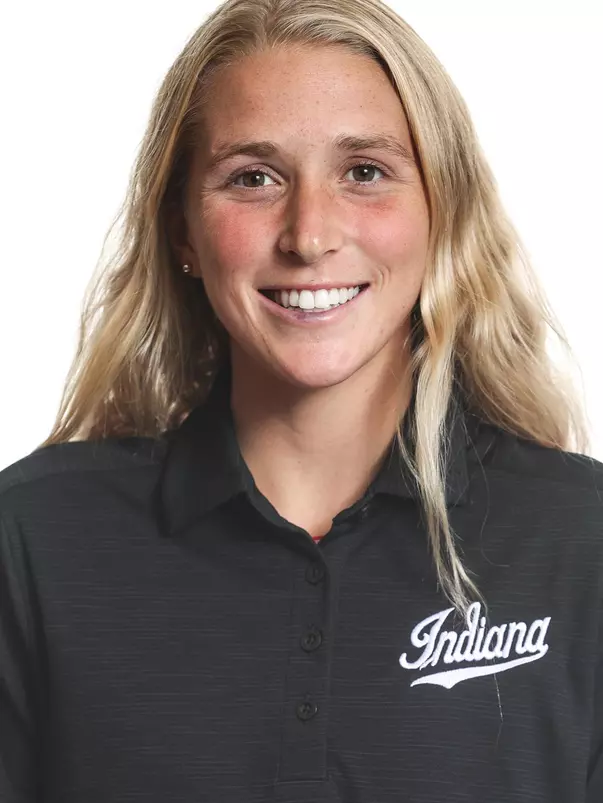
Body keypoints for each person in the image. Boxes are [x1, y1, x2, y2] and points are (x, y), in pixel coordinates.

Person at [0, 0, 601, 800]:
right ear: (182, 229)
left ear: (441, 210)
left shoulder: (581, 543)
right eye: (252, 177)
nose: (309, 233)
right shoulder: (33, 539)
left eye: (364, 172)